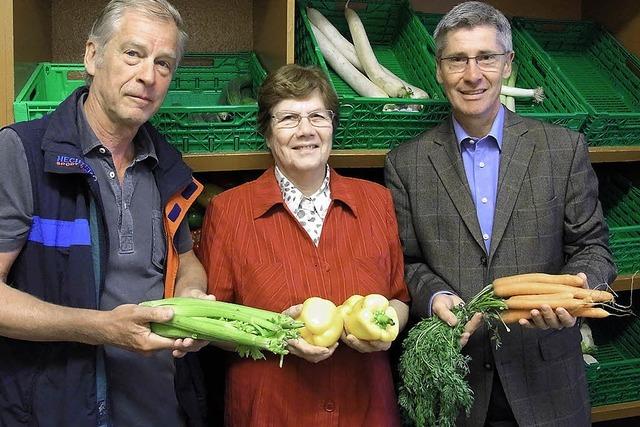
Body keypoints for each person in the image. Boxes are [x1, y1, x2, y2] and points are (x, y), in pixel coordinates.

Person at [385, 2, 616, 426]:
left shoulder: (562, 149)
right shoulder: (406, 163)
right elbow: (407, 260)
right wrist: (436, 296)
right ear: (439, 70)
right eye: (457, 59)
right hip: (454, 380)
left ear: (507, 64)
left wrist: (575, 292)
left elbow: (593, 247)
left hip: (547, 377)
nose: (473, 74)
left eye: (486, 57)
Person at [0, 1, 210, 426]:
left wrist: (191, 299)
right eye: (133, 53)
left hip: (158, 409)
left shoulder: (166, 165)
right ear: (92, 56)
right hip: (59, 412)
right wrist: (97, 327)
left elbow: (188, 263)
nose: (148, 76)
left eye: (163, 63)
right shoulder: (20, 152)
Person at [198, 64, 410, 427]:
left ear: (332, 125)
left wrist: (386, 329)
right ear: (267, 132)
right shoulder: (229, 211)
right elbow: (214, 323)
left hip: (366, 407)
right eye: (289, 119)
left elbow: (399, 298)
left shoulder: (377, 201)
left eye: (317, 116)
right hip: (271, 409)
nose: (306, 130)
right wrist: (274, 334)